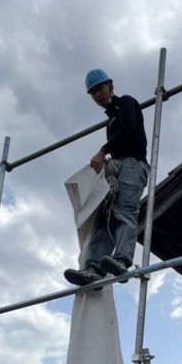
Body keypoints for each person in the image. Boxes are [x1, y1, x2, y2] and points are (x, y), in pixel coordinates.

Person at [64, 69, 150, 287]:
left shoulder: (126, 103)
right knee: (106, 217)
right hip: (117, 166)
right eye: (93, 93)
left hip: (133, 164)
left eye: (99, 89)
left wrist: (103, 151)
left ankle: (122, 259)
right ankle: (94, 269)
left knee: (124, 210)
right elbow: (118, 141)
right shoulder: (110, 121)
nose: (97, 95)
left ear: (110, 85)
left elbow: (129, 130)